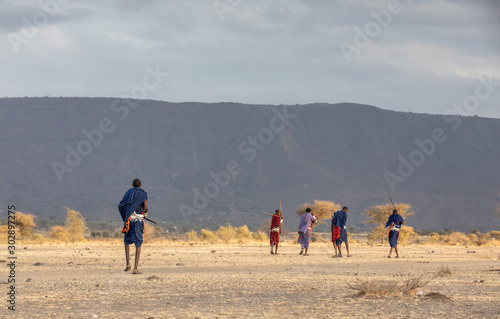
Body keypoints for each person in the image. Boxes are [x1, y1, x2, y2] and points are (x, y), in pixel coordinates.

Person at [119, 178, 148, 274]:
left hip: (129, 221)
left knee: (127, 241)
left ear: (132, 185)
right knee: (138, 243)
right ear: (140, 185)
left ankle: (128, 264)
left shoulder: (128, 193)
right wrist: (145, 212)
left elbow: (121, 205)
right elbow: (146, 208)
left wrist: (126, 214)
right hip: (138, 221)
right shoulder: (143, 194)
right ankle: (135, 268)